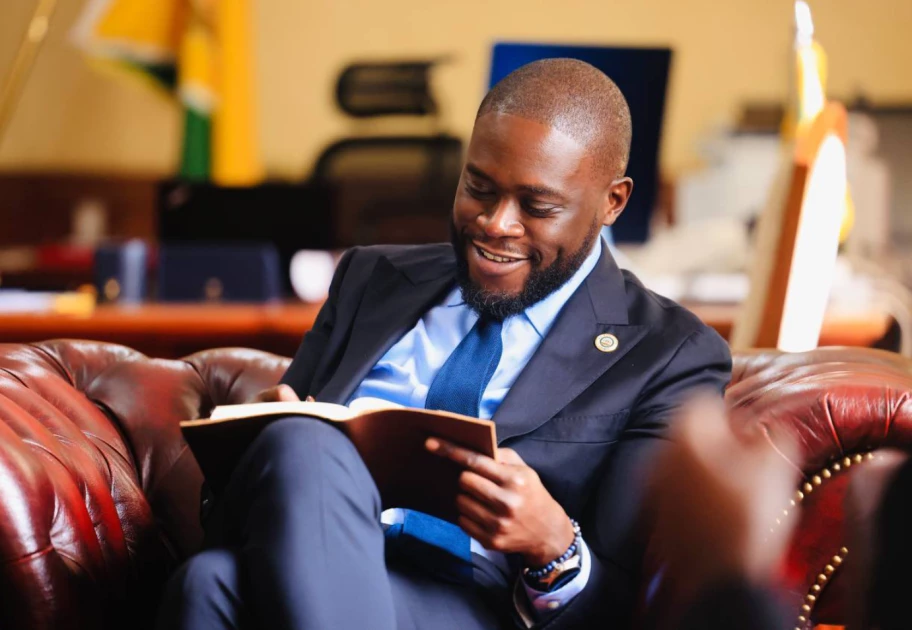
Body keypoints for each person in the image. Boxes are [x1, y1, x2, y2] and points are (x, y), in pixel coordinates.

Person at [157, 58, 732, 630]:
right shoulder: (369, 281)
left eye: (537, 206)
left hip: (482, 604)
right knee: (210, 577)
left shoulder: (669, 355)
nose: (496, 223)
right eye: (478, 188)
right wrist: (258, 445)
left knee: (242, 541)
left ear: (614, 202)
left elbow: (640, 603)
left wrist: (555, 545)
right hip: (317, 560)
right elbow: (243, 505)